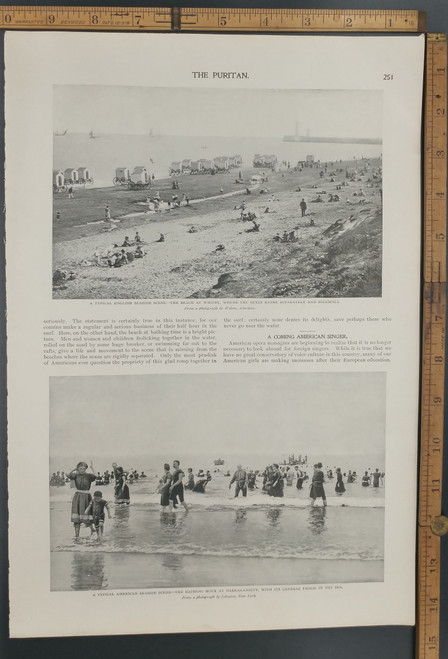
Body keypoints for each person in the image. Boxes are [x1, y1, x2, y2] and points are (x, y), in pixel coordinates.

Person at [68, 461, 97, 539]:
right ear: (78, 469)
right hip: (77, 497)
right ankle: (77, 536)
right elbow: (68, 475)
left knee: (87, 515)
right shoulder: (76, 475)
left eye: (84, 468)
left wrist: (92, 467)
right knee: (76, 517)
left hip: (86, 496)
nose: (82, 470)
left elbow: (96, 476)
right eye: (80, 468)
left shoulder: (89, 476)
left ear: (86, 469)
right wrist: (74, 469)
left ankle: (92, 530)